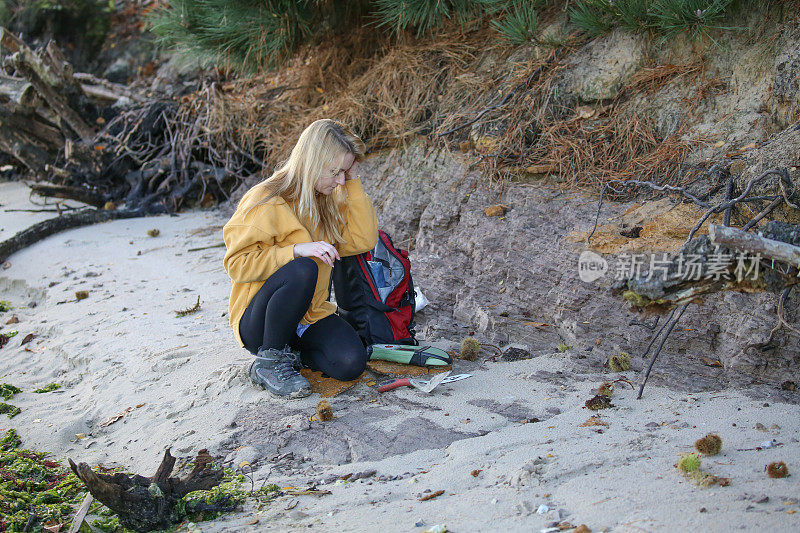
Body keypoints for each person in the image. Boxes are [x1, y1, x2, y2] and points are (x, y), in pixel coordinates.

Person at [222, 119, 379, 398]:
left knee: (350, 364)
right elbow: (236, 265)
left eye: (345, 172)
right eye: (335, 172)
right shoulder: (265, 199)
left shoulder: (326, 201)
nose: (340, 180)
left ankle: (290, 356)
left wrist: (353, 181)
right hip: (260, 322)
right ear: (311, 162)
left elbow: (363, 239)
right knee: (303, 268)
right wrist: (294, 251)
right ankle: (270, 362)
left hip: (308, 316)